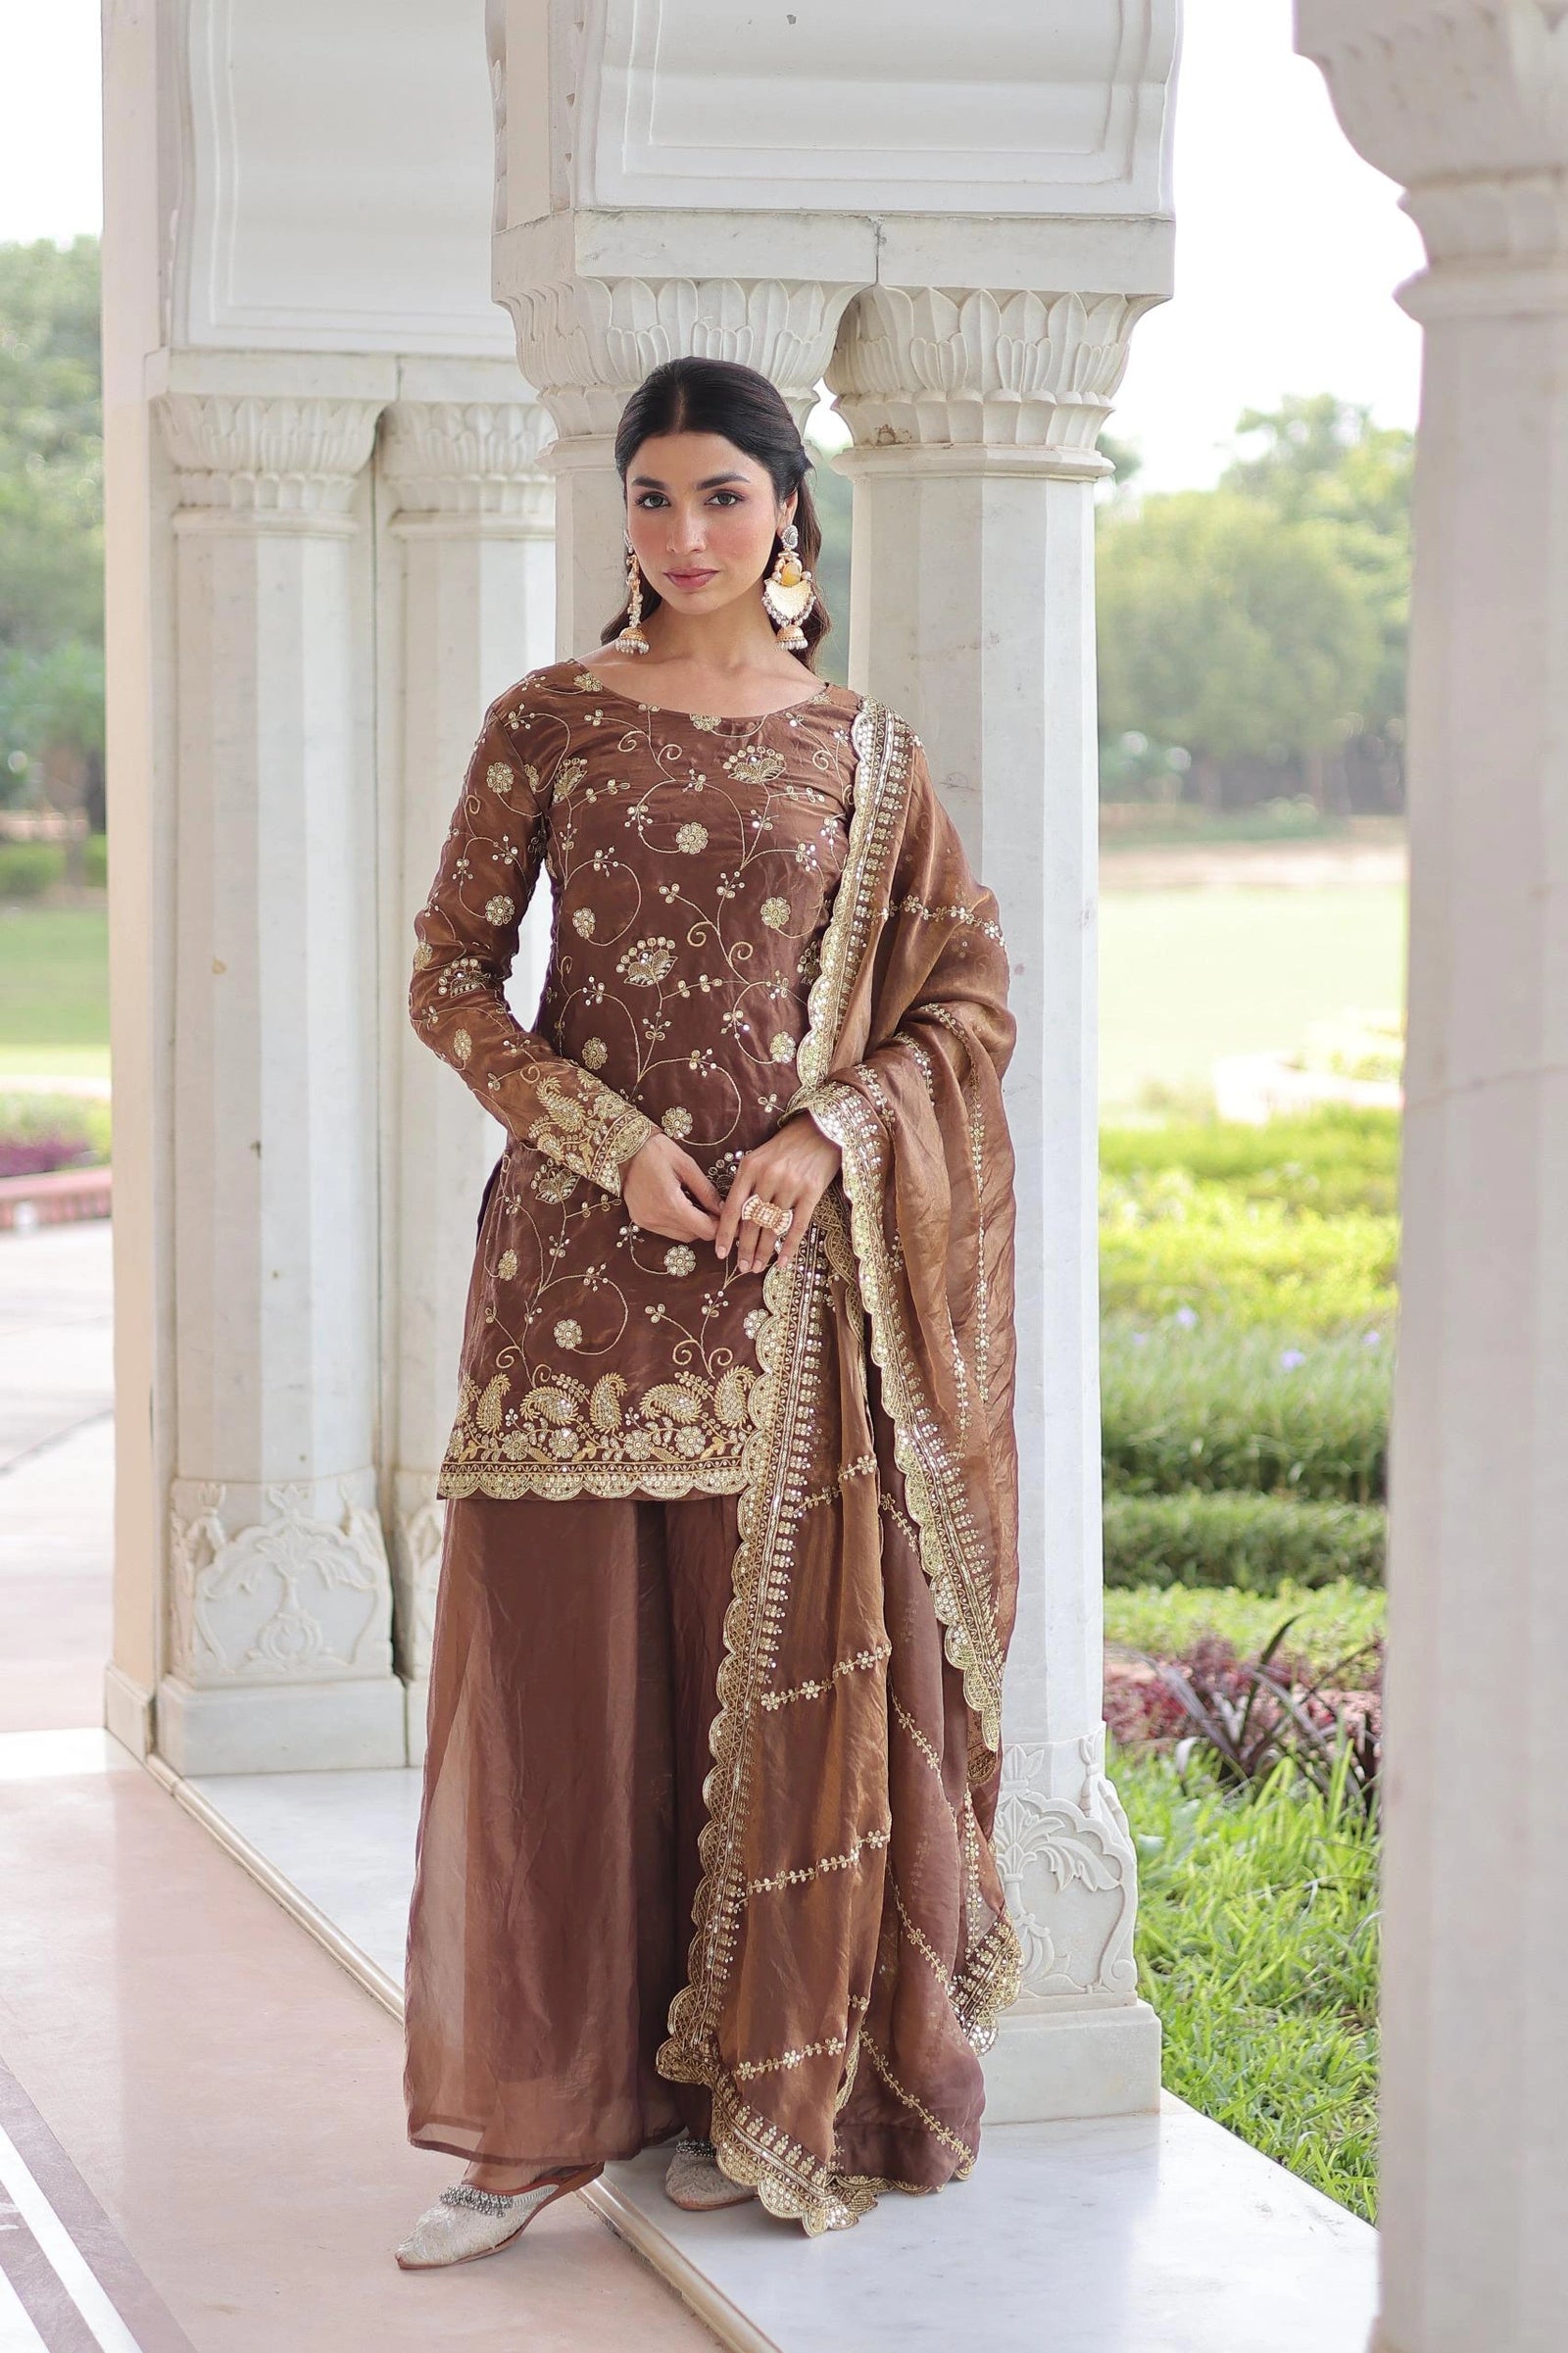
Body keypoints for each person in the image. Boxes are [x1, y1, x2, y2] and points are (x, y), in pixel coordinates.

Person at [395, 356, 1022, 2269]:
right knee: (562, 1688)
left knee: (753, 1687)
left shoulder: (865, 755)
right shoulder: (550, 721)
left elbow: (962, 1010)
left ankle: (737, 2082)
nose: (681, 537)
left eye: (719, 499)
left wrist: (824, 1142)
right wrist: (603, 1144)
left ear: (787, 514)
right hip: (578, 1278)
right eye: (651, 500)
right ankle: (533, 2121)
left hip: (782, 1287)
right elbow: (449, 978)